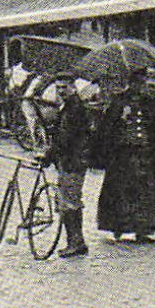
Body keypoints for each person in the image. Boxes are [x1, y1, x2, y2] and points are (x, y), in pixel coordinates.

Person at [94, 69, 155, 243]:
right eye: (137, 83)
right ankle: (119, 227)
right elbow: (105, 130)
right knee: (120, 193)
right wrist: (120, 118)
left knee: (146, 194)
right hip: (122, 157)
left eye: (143, 83)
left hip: (145, 156)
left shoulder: (150, 103)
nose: (140, 87)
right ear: (129, 83)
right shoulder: (118, 102)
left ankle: (143, 229)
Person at [48, 77, 98, 258]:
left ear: (73, 88)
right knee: (69, 199)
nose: (61, 91)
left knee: (70, 202)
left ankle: (76, 242)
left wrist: (49, 153)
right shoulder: (69, 106)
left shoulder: (74, 109)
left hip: (73, 160)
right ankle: (74, 241)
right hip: (71, 159)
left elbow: (66, 139)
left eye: (64, 87)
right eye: (58, 87)